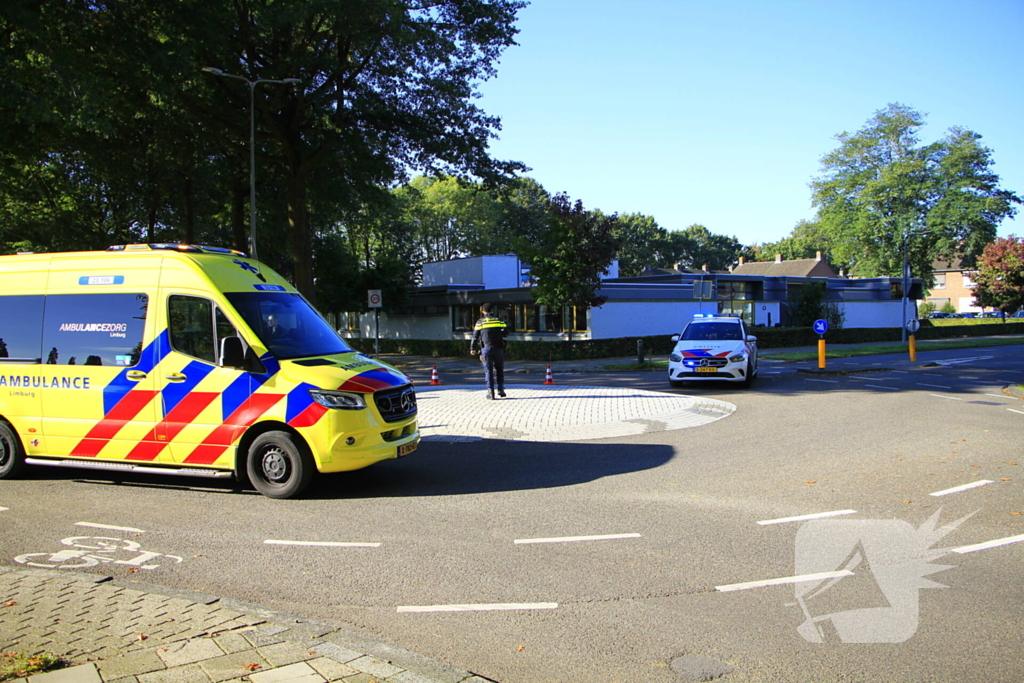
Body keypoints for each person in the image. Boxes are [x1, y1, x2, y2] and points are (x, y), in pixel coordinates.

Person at [470, 303, 508, 399]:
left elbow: (475, 336)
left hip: (486, 348)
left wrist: (472, 348)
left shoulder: (480, 322)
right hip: (499, 348)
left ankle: (490, 392)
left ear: (483, 311)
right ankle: (501, 389)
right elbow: (506, 332)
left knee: (488, 371)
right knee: (499, 368)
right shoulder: (499, 320)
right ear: (492, 310)